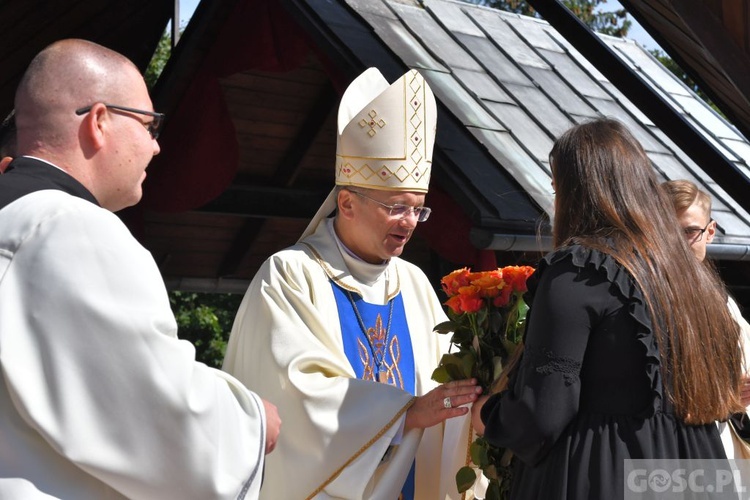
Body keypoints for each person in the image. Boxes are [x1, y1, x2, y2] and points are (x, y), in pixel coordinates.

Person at [0, 38, 280, 499]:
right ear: (100, 121)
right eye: (149, 125)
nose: (156, 147)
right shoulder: (71, 229)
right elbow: (154, 409)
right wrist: (252, 421)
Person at [223, 67, 481, 499]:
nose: (410, 224)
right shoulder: (291, 275)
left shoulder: (413, 283)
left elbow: (452, 382)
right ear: (347, 202)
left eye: (419, 210)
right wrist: (406, 415)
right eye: (397, 207)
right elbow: (296, 396)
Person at [471, 118, 744, 498]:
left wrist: (489, 415)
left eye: (557, 187)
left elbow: (542, 412)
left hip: (603, 472)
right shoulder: (690, 275)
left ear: (576, 192)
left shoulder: (580, 272)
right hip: (695, 474)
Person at [662, 179, 750, 456]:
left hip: (723, 444)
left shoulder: (722, 301)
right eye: (666, 232)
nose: (677, 244)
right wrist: (720, 396)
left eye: (689, 231)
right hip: (669, 451)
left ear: (710, 232)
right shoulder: (636, 298)